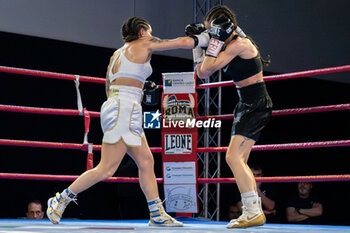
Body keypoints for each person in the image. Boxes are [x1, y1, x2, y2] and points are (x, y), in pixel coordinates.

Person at [46, 16, 209, 226]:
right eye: (149, 31)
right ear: (142, 31)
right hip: (124, 108)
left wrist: (138, 89)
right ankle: (60, 199)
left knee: (146, 161)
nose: (151, 35)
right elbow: (180, 42)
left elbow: (108, 87)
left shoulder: (117, 54)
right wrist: (205, 37)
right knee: (107, 168)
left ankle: (156, 214)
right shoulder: (143, 42)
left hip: (122, 105)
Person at [189, 5, 273, 228]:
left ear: (223, 28)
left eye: (212, 31)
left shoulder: (239, 45)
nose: (211, 36)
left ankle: (253, 211)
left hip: (255, 103)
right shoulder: (232, 42)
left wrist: (212, 42)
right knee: (238, 159)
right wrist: (198, 44)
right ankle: (252, 211)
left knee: (232, 157)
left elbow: (206, 69)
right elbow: (202, 72)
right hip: (246, 103)